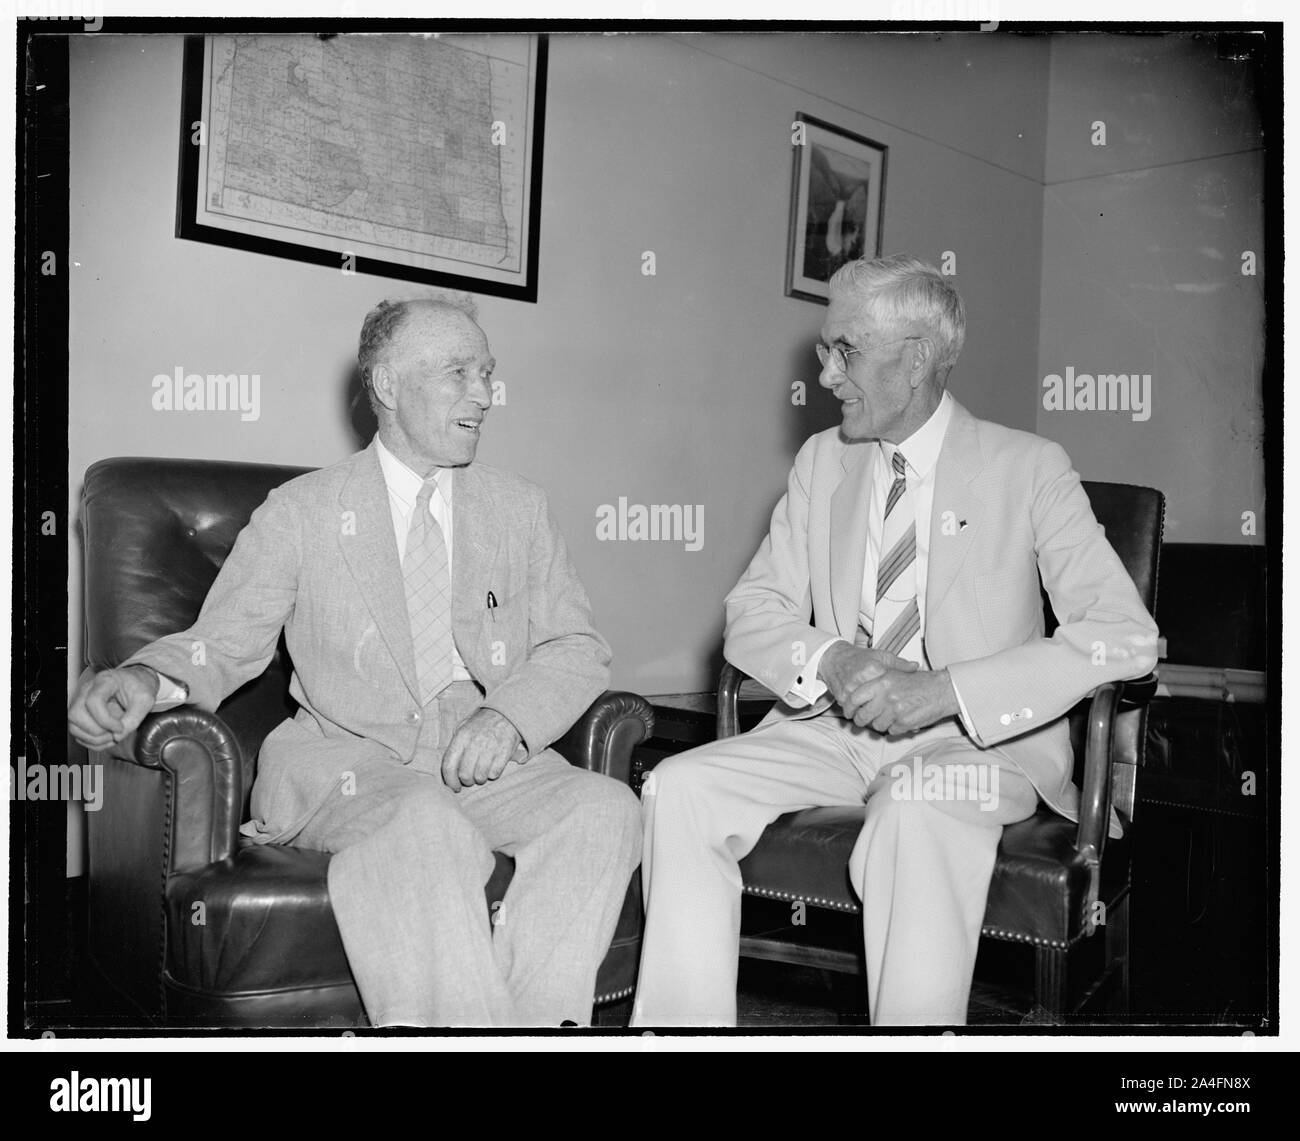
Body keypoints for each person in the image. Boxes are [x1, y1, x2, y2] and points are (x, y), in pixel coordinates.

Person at [67, 296, 641, 1028]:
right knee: (425, 823)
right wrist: (142, 677)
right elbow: (227, 638)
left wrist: (508, 714)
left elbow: (576, 644)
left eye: (488, 373)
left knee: (605, 809)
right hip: (346, 762)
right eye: (458, 372)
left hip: (485, 761)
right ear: (388, 385)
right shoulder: (302, 510)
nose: (485, 394)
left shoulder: (518, 509)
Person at [632, 255, 1159, 1027]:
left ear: (914, 359)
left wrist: (944, 691)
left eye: (843, 349)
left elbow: (1124, 638)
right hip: (835, 731)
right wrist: (831, 658)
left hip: (975, 745)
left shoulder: (1029, 468)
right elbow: (752, 609)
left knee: (915, 806)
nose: (823, 373)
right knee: (678, 787)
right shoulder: (823, 461)